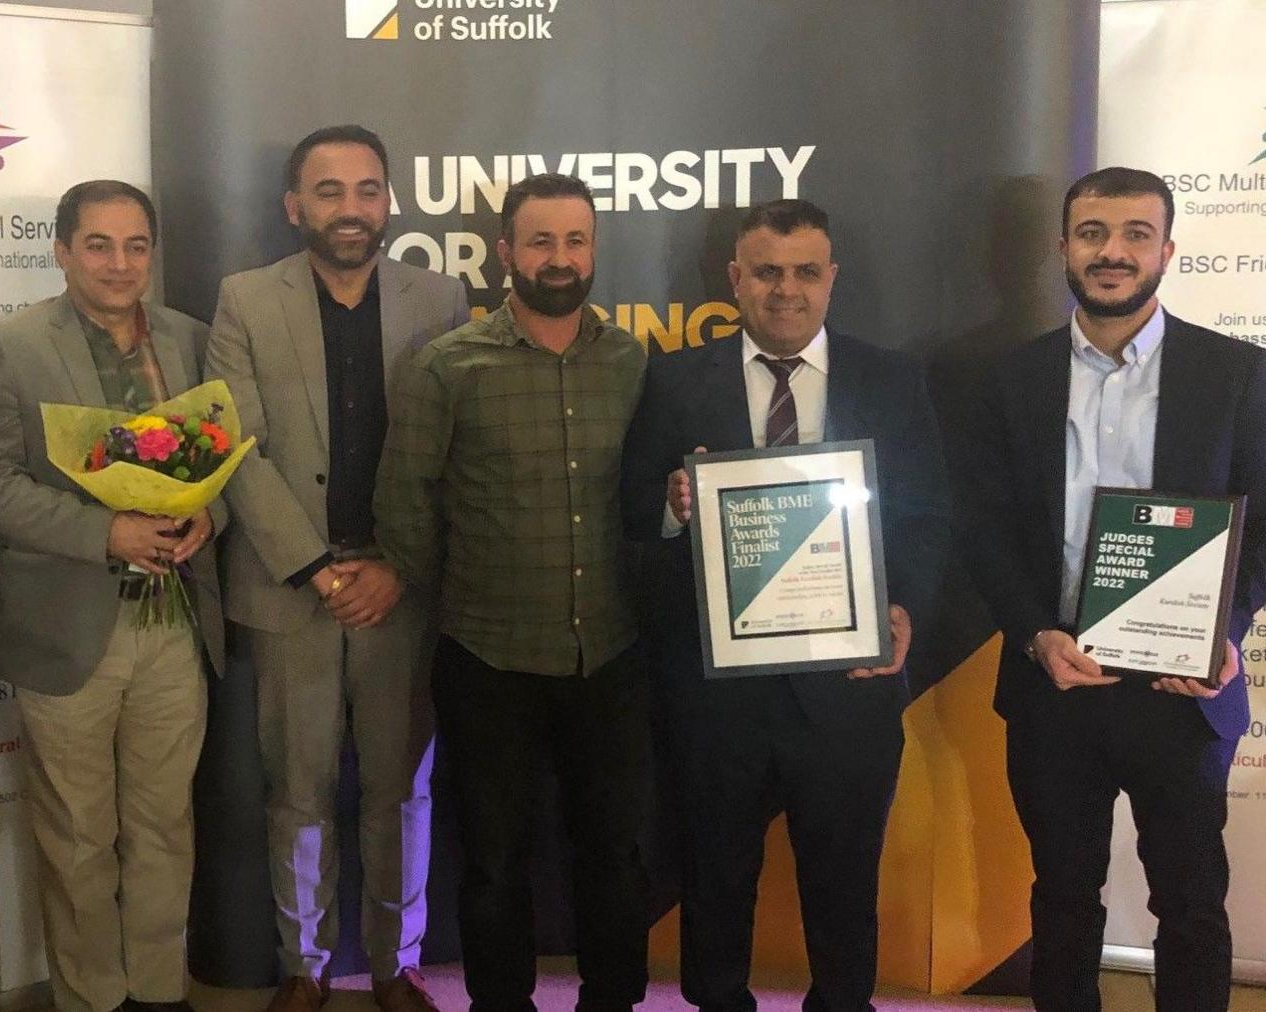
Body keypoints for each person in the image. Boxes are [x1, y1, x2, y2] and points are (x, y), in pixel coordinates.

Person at [620, 198, 951, 1011]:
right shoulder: (672, 378)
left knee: (843, 883)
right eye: (767, 271)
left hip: (850, 684)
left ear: (832, 279)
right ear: (735, 278)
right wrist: (671, 504)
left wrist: (904, 609)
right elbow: (631, 514)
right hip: (715, 693)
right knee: (715, 879)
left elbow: (928, 514)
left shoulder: (894, 379)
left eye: (806, 271)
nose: (786, 291)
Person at [956, 166, 1266, 1012]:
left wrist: (1225, 630)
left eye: (1135, 234)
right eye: (1093, 233)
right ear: (1063, 248)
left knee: (1192, 904)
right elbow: (981, 529)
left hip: (1183, 686)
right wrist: (1032, 632)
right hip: (1055, 676)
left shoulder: (1239, 374)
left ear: (1167, 250)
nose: (1113, 252)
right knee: (1060, 899)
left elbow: (1264, 524)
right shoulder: (1005, 381)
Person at [205, 123, 467, 1012]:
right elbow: (237, 448)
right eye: (329, 191)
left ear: (388, 200)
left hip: (401, 589)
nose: (350, 209)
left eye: (366, 190)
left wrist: (398, 564)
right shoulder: (244, 298)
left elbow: (451, 455)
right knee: (299, 793)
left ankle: (398, 965)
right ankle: (304, 967)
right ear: (294, 206)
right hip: (292, 592)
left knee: (401, 791)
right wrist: (317, 569)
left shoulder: (440, 300)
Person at [376, 173, 650, 1012]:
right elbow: (404, 501)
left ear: (594, 250)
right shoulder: (447, 366)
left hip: (609, 652)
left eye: (575, 240)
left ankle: (612, 1000)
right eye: (540, 241)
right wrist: (454, 594)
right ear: (505, 253)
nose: (559, 258)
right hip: (486, 653)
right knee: (495, 859)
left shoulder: (633, 361)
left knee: (614, 851)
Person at [0, 180, 224, 1012]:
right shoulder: (10, 342)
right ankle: (91, 1000)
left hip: (174, 623)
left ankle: (156, 994)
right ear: (63, 250)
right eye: (99, 245)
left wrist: (206, 515)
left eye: (136, 245)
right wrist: (102, 533)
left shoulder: (187, 338)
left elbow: (212, 462)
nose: (119, 263)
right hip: (68, 630)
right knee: (78, 839)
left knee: (164, 830)